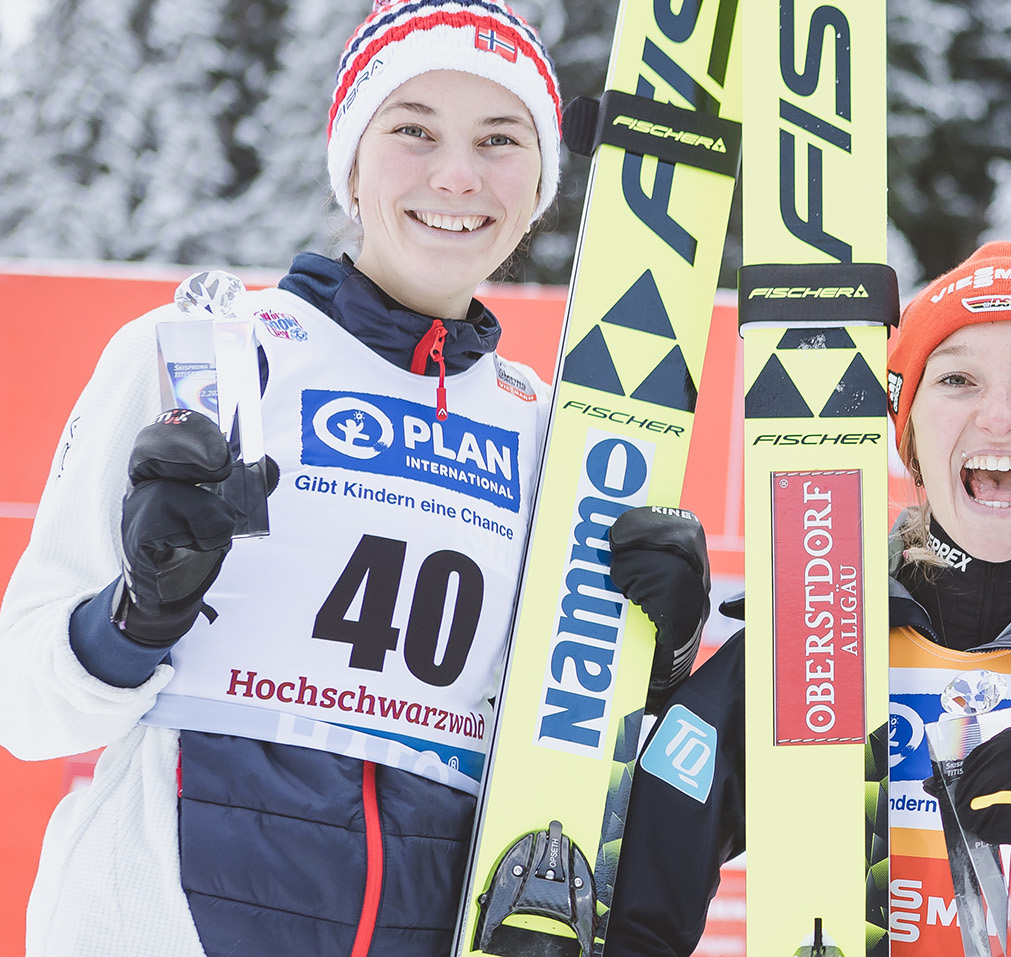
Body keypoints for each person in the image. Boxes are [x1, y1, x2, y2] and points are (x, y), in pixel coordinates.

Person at [0, 3, 710, 954]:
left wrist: (658, 661)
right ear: (351, 161)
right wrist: (137, 615)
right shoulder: (205, 360)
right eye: (413, 130)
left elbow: (571, 758)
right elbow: (25, 706)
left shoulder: (557, 434)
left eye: (500, 140)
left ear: (541, 181)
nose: (457, 176)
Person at [604, 241, 1011, 957]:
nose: (1001, 415)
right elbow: (635, 891)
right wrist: (652, 671)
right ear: (909, 426)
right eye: (957, 380)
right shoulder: (819, 627)